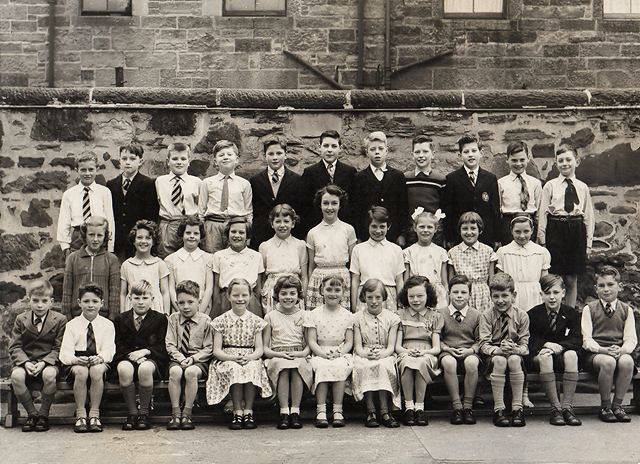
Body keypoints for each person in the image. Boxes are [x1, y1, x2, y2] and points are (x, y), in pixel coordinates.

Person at [207, 278, 273, 430]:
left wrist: (249, 357)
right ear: (228, 296)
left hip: (249, 356)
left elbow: (259, 349)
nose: (240, 299)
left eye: (244, 295)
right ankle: (237, 411)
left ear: (250, 296)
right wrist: (233, 358)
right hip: (227, 357)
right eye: (236, 295)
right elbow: (217, 350)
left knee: (252, 368)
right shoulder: (220, 321)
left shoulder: (256, 321)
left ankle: (248, 411)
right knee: (235, 369)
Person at [538, 144, 595, 308]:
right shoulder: (550, 186)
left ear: (576, 162)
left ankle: (569, 315)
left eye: (568, 159)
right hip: (556, 230)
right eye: (560, 160)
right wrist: (542, 241)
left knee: (571, 279)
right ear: (556, 163)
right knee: (554, 277)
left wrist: (588, 244)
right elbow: (543, 214)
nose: (565, 163)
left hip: (576, 231)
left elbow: (589, 217)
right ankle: (554, 313)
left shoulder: (582, 187)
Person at [9, 280, 67, 432]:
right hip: (26, 362)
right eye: (35, 301)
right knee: (16, 376)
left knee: (49, 375)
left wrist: (44, 362)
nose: (40, 305)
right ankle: (32, 414)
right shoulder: (21, 319)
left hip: (48, 363)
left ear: (51, 302)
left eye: (44, 301)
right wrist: (26, 363)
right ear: (29, 301)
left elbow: (59, 347)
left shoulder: (60, 319)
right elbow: (15, 346)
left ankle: (43, 415)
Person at [581, 265, 637, 423]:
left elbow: (631, 339)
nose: (606, 289)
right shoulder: (589, 309)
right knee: (608, 362)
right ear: (596, 288)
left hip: (618, 351)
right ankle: (605, 406)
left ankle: (617, 406)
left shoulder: (626, 310)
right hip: (596, 354)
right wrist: (602, 350)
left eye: (610, 285)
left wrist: (622, 350)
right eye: (601, 285)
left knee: (627, 361)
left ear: (619, 287)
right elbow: (587, 339)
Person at [59, 282, 116, 433]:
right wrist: (75, 360)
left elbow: (110, 349)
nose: (90, 305)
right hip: (78, 362)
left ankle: (94, 414)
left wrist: (101, 357)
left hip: (99, 361)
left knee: (96, 371)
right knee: (81, 371)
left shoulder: (107, 325)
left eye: (95, 301)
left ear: (102, 303)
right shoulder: (72, 325)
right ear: (79, 303)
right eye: (86, 301)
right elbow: (65, 353)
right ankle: (81, 414)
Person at [113, 280, 169, 431]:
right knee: (124, 370)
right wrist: (132, 355)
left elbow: (163, 346)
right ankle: (132, 413)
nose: (141, 302)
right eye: (136, 298)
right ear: (130, 298)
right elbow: (118, 345)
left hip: (151, 358)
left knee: (144, 369)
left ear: (152, 299)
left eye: (145, 298)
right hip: (127, 357)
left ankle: (144, 413)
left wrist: (145, 351)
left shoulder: (160, 319)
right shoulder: (120, 319)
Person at [526, 274, 582, 426]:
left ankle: (567, 407)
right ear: (541, 294)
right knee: (545, 357)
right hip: (540, 357)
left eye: (556, 293)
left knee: (571, 355)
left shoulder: (572, 313)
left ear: (563, 293)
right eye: (547, 293)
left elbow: (577, 340)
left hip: (561, 355)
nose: (552, 297)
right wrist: (547, 345)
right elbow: (530, 340)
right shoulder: (533, 314)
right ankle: (555, 409)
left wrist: (560, 347)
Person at [479, 273, 530, 427]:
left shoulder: (522, 316)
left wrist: (515, 349)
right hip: (494, 358)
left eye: (504, 296)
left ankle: (517, 409)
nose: (500, 300)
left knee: (514, 359)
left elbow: (525, 345)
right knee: (501, 360)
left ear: (513, 295)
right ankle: (499, 409)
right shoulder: (486, 316)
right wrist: (498, 350)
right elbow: (483, 345)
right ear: (490, 296)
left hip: (514, 356)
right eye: (496, 296)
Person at [304, 275, 354, 428]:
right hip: (320, 352)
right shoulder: (313, 314)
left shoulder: (348, 315)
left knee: (339, 366)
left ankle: (338, 410)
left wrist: (339, 353)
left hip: (340, 352)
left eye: (337, 290)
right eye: (329, 289)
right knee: (322, 367)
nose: (333, 293)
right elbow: (312, 340)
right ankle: (321, 410)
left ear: (343, 292)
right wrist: (322, 353)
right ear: (321, 291)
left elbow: (349, 341)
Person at [263, 275, 312, 429]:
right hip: (278, 355)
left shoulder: (304, 315)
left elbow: (309, 345)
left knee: (296, 367)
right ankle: (284, 411)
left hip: (298, 354)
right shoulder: (270, 316)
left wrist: (301, 354)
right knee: (283, 367)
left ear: (298, 295)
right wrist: (279, 355)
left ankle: (295, 411)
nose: (288, 297)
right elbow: (265, 348)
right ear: (277, 295)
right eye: (283, 293)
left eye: (292, 293)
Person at [352, 279, 401, 428]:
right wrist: (366, 355)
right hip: (364, 353)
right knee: (365, 366)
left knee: (382, 366)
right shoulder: (357, 318)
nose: (374, 301)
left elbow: (391, 346)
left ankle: (385, 411)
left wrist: (382, 354)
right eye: (370, 297)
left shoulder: (392, 318)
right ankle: (370, 410)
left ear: (384, 298)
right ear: (364, 298)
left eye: (378, 297)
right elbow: (358, 347)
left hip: (385, 353)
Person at [165, 280, 213, 430]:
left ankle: (187, 413)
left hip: (198, 359)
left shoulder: (206, 321)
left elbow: (209, 348)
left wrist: (193, 359)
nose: (185, 306)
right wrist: (181, 359)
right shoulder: (173, 319)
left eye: (190, 302)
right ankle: (175, 413)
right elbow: (170, 344)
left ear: (198, 302)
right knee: (175, 372)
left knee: (191, 372)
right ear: (176, 303)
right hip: (178, 358)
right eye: (181, 303)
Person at [396, 275, 443, 427]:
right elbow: (397, 346)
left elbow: (436, 348)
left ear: (428, 296)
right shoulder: (400, 315)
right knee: (408, 363)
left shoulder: (435, 316)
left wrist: (423, 353)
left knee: (420, 362)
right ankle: (409, 407)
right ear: (406, 296)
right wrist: (407, 352)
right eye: (411, 296)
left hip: (427, 353)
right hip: (406, 351)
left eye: (420, 296)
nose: (416, 300)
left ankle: (420, 408)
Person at [443, 134, 500, 249]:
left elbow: (495, 210)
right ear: (460, 155)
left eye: (474, 150)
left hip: (485, 236)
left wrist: (496, 238)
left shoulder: (490, 178)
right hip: (461, 236)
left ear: (481, 153)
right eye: (466, 152)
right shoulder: (452, 179)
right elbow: (448, 210)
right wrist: (449, 237)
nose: (470, 155)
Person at [351, 131, 408, 245]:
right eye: (373, 149)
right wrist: (359, 235)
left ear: (386, 151)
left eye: (380, 149)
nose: (377, 152)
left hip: (392, 234)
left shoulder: (397, 176)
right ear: (367, 152)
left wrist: (402, 234)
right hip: (367, 234)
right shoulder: (359, 177)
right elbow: (356, 210)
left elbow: (403, 207)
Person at [439, 274, 481, 425]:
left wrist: (470, 351)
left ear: (470, 295)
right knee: (449, 363)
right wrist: (447, 348)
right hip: (447, 351)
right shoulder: (440, 313)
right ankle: (457, 406)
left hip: (468, 351)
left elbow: (479, 341)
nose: (459, 296)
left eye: (463, 292)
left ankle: (468, 406)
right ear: (449, 293)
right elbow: (437, 338)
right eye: (455, 292)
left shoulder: (476, 315)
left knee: (471, 363)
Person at [306, 185, 357, 311]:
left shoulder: (348, 230)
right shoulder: (313, 232)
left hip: (342, 279)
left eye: (334, 203)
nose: (330, 208)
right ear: (320, 205)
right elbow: (311, 266)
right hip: (319, 280)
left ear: (340, 205)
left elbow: (353, 264)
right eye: (325, 203)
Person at [106, 143, 159, 261]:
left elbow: (151, 215)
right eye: (124, 159)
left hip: (138, 241)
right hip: (118, 241)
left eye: (132, 159)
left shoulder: (148, 184)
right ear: (119, 161)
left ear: (140, 161)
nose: (128, 162)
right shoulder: (111, 184)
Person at [299, 130, 357, 236]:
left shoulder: (350, 172)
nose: (329, 150)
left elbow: (354, 203)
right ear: (319, 147)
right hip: (318, 228)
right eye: (326, 146)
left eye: (334, 146)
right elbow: (304, 205)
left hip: (343, 228)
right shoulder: (310, 172)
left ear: (340, 148)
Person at [62, 216, 120, 320]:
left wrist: (112, 318)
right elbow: (67, 291)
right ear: (84, 235)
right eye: (91, 235)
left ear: (105, 236)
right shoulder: (73, 258)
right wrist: (67, 317)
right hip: (78, 316)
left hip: (103, 317)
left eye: (100, 235)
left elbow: (114, 292)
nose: (95, 239)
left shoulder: (111, 259)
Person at [199, 140, 252, 254]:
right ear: (215, 161)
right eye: (221, 155)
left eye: (229, 154)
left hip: (236, 225)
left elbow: (248, 211)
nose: (225, 157)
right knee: (212, 257)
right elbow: (201, 210)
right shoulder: (207, 183)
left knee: (235, 257)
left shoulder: (244, 184)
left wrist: (247, 232)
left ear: (237, 160)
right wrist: (203, 231)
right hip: (213, 225)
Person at [250, 135, 302, 249]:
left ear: (286, 155)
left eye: (279, 153)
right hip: (262, 236)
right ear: (264, 156)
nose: (275, 158)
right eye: (270, 154)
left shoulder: (297, 180)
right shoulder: (255, 180)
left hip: (288, 235)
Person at [58, 151, 115, 255]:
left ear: (97, 170)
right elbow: (64, 222)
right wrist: (65, 248)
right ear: (77, 170)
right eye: (83, 170)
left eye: (91, 170)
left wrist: (110, 247)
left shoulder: (104, 192)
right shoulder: (69, 194)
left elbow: (110, 219)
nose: (87, 173)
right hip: (78, 237)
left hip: (99, 236)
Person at [350, 206, 404, 313]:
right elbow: (355, 280)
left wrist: (401, 303)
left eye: (382, 226)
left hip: (388, 297)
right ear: (368, 226)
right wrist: (354, 305)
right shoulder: (358, 249)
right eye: (374, 226)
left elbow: (399, 280)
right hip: (366, 296)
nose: (378, 231)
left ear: (388, 226)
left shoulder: (396, 250)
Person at [155, 142, 202, 259]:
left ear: (189, 161)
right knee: (166, 257)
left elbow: (200, 206)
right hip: (168, 224)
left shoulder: (196, 182)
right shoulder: (160, 181)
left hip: (189, 225)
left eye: (183, 159)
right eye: (175, 159)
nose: (179, 162)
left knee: (189, 257)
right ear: (168, 161)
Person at [496, 214, 551, 313]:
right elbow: (501, 280)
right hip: (512, 295)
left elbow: (545, 280)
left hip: (534, 295)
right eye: (517, 232)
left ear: (532, 230)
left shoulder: (541, 252)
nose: (522, 236)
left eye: (526, 231)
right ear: (511, 230)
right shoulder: (503, 252)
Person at [259, 204, 308, 314]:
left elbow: (304, 276)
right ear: (272, 224)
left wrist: (302, 295)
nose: (282, 225)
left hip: (293, 291)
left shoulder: (300, 245)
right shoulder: (265, 246)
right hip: (272, 292)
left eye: (286, 221)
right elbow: (262, 277)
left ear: (293, 223)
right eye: (278, 221)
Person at [211, 216, 264, 318]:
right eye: (233, 232)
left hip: (249, 301)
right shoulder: (219, 256)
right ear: (228, 233)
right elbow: (216, 286)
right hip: (225, 301)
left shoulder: (256, 256)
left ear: (247, 236)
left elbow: (258, 287)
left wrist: (258, 304)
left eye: (241, 232)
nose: (237, 236)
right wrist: (216, 304)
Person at [448, 212, 497, 313]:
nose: (469, 232)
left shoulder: (488, 251)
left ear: (480, 230)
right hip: (461, 294)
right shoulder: (453, 252)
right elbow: (451, 281)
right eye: (465, 228)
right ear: (459, 230)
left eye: (473, 228)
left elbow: (491, 280)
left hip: (483, 295)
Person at [164, 217, 214, 315]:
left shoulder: (208, 259)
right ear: (182, 235)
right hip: (180, 308)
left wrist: (201, 311)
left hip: (201, 308)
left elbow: (209, 288)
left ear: (201, 236)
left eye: (196, 233)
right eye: (188, 233)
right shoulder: (171, 259)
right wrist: (180, 309)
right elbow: (171, 288)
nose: (192, 236)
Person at [403, 135, 446, 246]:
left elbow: (444, 207)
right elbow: (401, 208)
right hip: (411, 233)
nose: (421, 156)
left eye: (425, 152)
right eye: (417, 152)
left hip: (434, 234)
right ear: (412, 155)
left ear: (433, 154)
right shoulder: (405, 179)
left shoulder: (440, 180)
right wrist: (402, 234)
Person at [120, 220, 171, 314]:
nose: (143, 241)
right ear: (133, 241)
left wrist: (166, 314)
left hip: (154, 310)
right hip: (132, 309)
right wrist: (123, 315)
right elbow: (123, 294)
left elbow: (165, 292)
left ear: (153, 241)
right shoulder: (126, 265)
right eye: (139, 237)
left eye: (148, 238)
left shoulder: (160, 264)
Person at [497, 141, 542, 246]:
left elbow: (539, 210)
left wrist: (539, 233)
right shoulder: (501, 183)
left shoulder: (535, 183)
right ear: (507, 160)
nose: (518, 164)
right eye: (514, 160)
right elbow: (498, 211)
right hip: (508, 225)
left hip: (529, 223)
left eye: (522, 160)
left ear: (528, 158)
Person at [403, 209, 450, 309]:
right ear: (415, 228)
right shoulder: (408, 252)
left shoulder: (441, 252)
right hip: (416, 295)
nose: (425, 230)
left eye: (429, 227)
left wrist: (447, 298)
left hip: (437, 295)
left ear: (435, 229)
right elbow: (406, 281)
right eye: (422, 227)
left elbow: (444, 281)